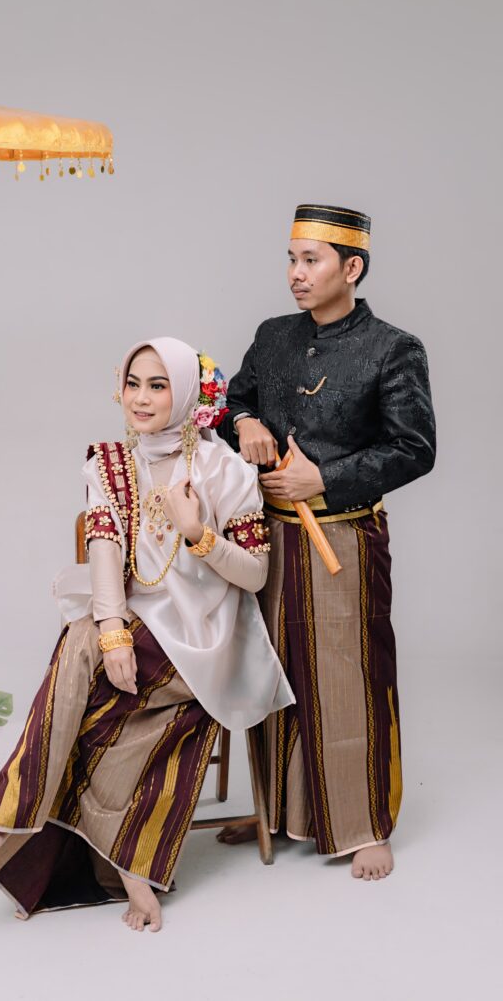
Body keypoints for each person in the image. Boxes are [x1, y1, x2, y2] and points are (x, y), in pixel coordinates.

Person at [0, 337, 293, 930]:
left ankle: (12, 805)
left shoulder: (226, 470)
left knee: (81, 669)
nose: (140, 398)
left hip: (207, 640)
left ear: (185, 394)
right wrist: (112, 631)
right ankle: (124, 866)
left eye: (158, 386)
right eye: (133, 383)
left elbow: (256, 574)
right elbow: (104, 550)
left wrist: (197, 532)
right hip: (139, 629)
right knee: (85, 635)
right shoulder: (109, 463)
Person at [219, 203, 436, 881]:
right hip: (266, 538)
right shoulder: (273, 335)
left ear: (352, 267)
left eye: (310, 261)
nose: (296, 273)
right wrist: (246, 421)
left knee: (347, 675)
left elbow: (415, 448)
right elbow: (233, 400)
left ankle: (363, 823)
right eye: (292, 259)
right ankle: (277, 812)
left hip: (343, 536)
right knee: (270, 669)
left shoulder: (394, 348)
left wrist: (325, 478)